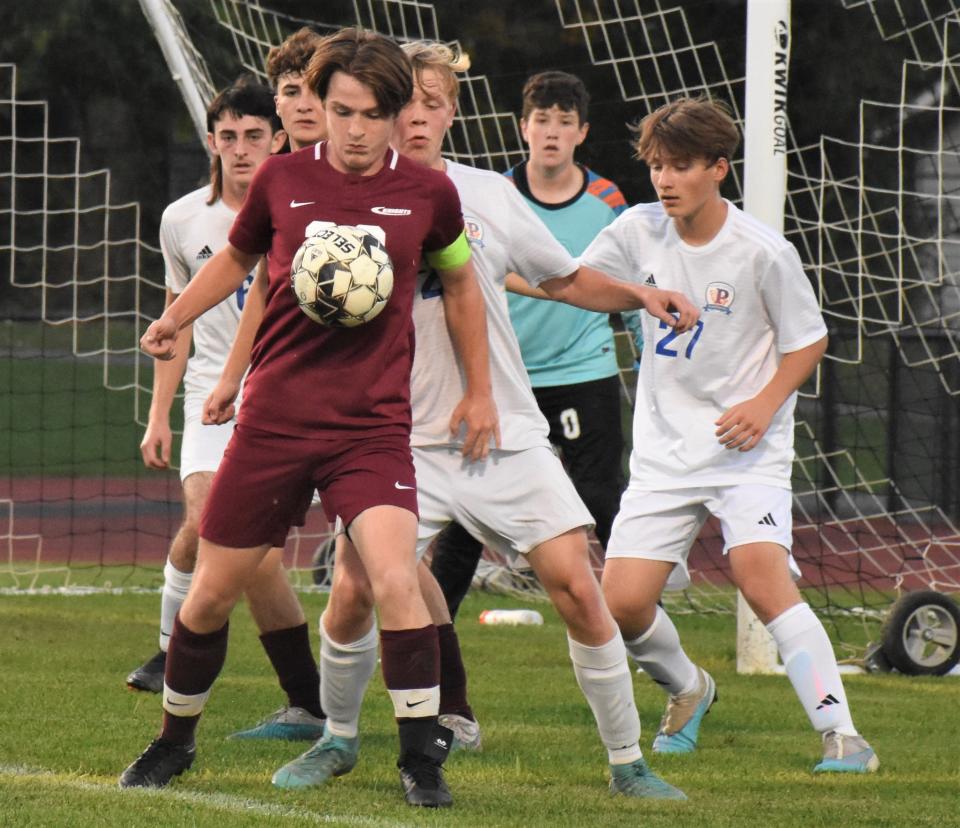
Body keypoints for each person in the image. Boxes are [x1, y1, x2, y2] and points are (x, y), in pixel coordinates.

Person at [267, 40, 700, 804]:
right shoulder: (338, 200)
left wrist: (641, 294)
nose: (422, 116)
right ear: (383, 109)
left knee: (575, 585)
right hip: (394, 437)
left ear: (453, 112)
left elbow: (561, 279)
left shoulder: (490, 197)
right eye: (411, 103)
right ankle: (336, 740)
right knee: (353, 589)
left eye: (438, 103)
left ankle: (629, 762)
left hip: (502, 433)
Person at [119, 30, 498, 809]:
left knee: (395, 579)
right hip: (275, 423)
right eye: (341, 111)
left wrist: (479, 390)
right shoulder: (283, 179)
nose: (355, 130)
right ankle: (173, 741)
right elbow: (233, 263)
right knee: (209, 597)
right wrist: (177, 318)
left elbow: (461, 286)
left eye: (371, 114)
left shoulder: (429, 194)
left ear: (397, 115)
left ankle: (420, 758)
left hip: (371, 428)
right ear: (320, 107)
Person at [581, 96, 879, 773]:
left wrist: (764, 403)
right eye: (656, 165)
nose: (664, 180)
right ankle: (689, 688)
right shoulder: (636, 229)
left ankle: (844, 736)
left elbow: (809, 341)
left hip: (747, 449)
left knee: (759, 576)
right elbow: (584, 282)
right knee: (622, 603)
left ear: (718, 168)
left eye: (680, 166)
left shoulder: (762, 251)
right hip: (664, 450)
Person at [126, 75, 326, 742]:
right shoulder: (182, 220)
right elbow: (175, 323)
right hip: (212, 401)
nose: (241, 150)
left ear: (278, 139)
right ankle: (290, 695)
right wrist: (158, 415)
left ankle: (320, 702)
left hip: (287, 397)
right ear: (211, 142)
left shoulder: (305, 213)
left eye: (254, 137)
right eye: (229, 137)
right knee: (212, 529)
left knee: (253, 554)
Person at [429, 70, 636, 618]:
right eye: (541, 120)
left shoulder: (607, 199)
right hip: (505, 379)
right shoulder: (495, 196)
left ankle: (631, 617)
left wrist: (639, 346)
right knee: (465, 515)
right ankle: (434, 627)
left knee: (599, 497)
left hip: (584, 372)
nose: (551, 133)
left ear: (582, 132)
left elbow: (617, 278)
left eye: (563, 122)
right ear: (523, 127)